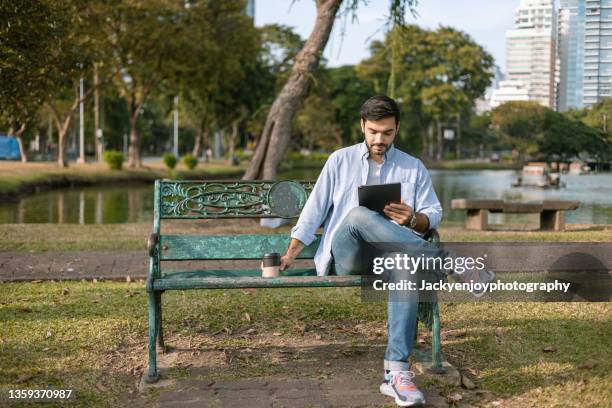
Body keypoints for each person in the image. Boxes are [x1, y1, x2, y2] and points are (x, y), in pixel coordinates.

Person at [280, 95, 493, 407]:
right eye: (373, 132)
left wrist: (413, 219)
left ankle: (396, 375)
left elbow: (432, 214)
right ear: (362, 126)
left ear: (397, 129)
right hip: (349, 256)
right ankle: (453, 263)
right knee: (357, 215)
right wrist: (291, 252)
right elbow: (313, 211)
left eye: (387, 133)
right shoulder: (340, 160)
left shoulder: (413, 167)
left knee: (405, 264)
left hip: (394, 255)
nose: (379, 140)